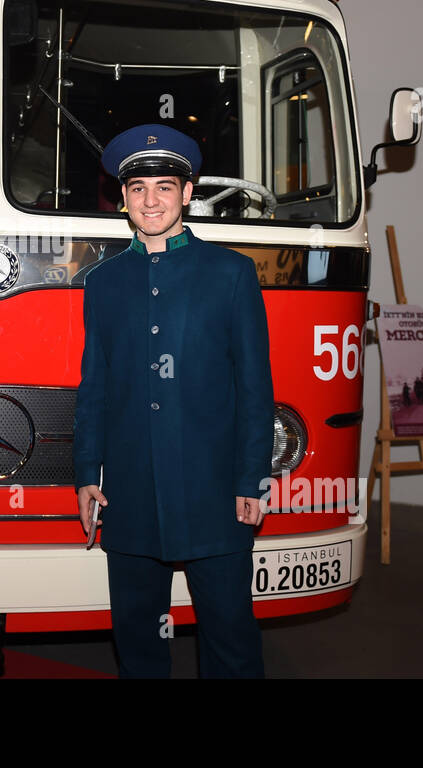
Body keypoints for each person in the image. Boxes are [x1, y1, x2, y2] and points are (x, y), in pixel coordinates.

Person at [74, 124, 272, 678]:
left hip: (215, 493)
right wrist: (87, 472)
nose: (151, 200)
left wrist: (251, 479)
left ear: (188, 194)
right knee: (137, 638)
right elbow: (95, 386)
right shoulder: (103, 283)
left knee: (230, 635)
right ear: (123, 199)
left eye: (164, 187)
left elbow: (256, 387)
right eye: (137, 189)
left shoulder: (231, 274)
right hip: (131, 494)